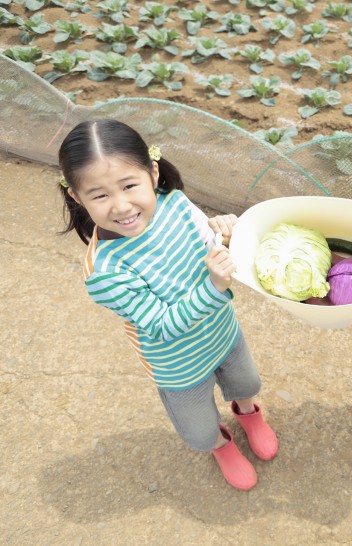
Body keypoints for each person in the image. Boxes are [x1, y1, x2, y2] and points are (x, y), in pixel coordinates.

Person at [57, 119, 278, 491]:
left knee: (246, 382)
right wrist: (214, 286)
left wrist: (224, 233)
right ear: (77, 197)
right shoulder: (104, 271)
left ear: (153, 173)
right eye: (100, 195)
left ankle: (248, 414)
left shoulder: (174, 202)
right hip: (178, 365)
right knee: (199, 428)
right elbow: (161, 325)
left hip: (223, 332)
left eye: (130, 185)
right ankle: (220, 445)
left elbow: (207, 240)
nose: (122, 205)